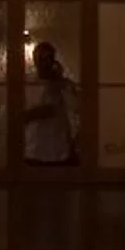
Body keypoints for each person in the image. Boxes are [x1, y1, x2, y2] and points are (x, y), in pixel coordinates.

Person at [23, 39, 81, 167]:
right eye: (40, 58)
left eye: (47, 58)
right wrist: (33, 114)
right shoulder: (25, 83)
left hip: (58, 151)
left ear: (53, 60)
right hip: (33, 149)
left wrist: (58, 83)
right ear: (34, 60)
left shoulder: (65, 85)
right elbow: (14, 114)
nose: (43, 63)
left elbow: (77, 109)